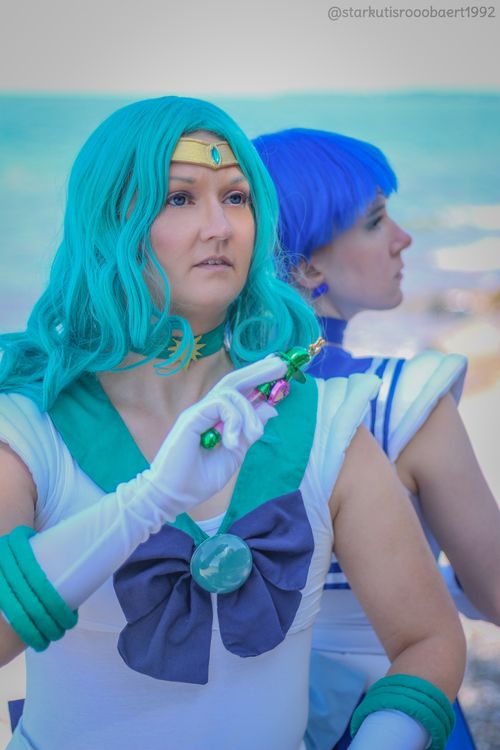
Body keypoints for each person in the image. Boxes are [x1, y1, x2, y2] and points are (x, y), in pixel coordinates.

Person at [0, 98, 465, 750]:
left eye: (237, 198)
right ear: (110, 221)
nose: (220, 227)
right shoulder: (28, 428)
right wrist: (149, 502)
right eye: (180, 198)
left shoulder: (325, 422)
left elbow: (428, 639)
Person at [254, 127, 500, 750]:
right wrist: (448, 588)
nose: (403, 238)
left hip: (240, 718)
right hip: (392, 710)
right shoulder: (401, 402)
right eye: (374, 221)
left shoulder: (210, 407)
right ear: (306, 265)